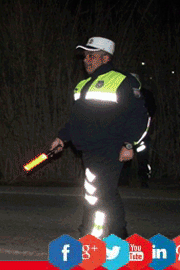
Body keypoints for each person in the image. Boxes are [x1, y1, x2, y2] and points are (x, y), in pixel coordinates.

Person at [49, 37, 149, 239]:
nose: (86, 60)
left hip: (111, 148)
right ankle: (118, 235)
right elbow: (76, 119)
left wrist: (130, 144)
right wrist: (62, 138)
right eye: (85, 56)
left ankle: (92, 236)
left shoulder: (124, 80)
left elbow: (140, 117)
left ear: (105, 58)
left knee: (97, 193)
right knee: (103, 193)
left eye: (91, 56)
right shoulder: (83, 85)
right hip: (88, 149)